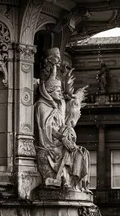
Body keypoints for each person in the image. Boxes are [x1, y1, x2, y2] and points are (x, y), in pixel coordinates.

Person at [35, 62, 89, 191]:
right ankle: (63, 180)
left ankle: (76, 184)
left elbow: (61, 125)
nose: (60, 94)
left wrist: (67, 132)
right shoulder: (41, 106)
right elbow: (47, 129)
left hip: (58, 142)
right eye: (58, 91)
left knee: (82, 152)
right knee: (72, 151)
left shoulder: (57, 107)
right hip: (50, 144)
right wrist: (63, 139)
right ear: (49, 91)